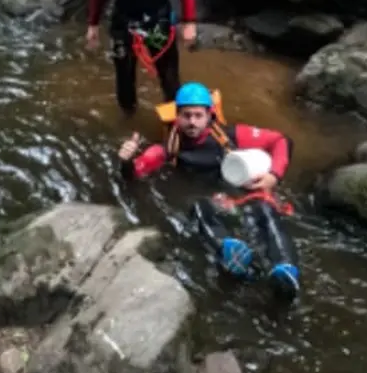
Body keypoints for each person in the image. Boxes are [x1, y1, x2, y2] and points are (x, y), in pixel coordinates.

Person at [117, 82, 300, 298]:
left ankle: (285, 270)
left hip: (240, 195)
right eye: (186, 115)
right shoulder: (168, 149)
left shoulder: (230, 136)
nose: (192, 122)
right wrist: (126, 161)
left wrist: (274, 176)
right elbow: (135, 173)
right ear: (177, 117)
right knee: (199, 207)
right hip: (210, 202)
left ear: (209, 115)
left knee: (265, 210)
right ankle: (230, 251)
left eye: (198, 115)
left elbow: (282, 140)